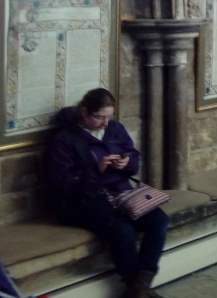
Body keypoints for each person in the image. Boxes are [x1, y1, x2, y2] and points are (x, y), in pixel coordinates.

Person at [44, 88, 168, 298]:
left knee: (158, 221)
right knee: (122, 231)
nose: (105, 123)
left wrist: (127, 162)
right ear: (84, 112)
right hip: (83, 200)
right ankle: (137, 288)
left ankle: (140, 286)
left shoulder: (114, 129)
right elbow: (61, 184)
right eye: (99, 117)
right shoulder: (64, 140)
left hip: (120, 192)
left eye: (109, 117)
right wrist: (96, 170)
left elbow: (133, 156)